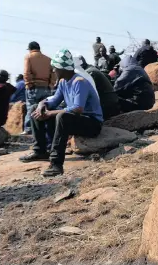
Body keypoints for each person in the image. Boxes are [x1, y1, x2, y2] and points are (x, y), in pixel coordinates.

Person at [19, 49, 103, 177]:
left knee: (62, 116)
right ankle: (40, 150)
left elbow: (77, 108)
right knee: (35, 108)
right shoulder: (64, 82)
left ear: (63, 69)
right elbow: (54, 100)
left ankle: (56, 164)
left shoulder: (79, 82)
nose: (54, 71)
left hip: (92, 123)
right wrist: (42, 104)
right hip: (76, 119)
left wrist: (50, 114)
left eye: (55, 68)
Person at [23, 41, 54, 135]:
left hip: (34, 87)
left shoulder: (28, 57)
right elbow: (53, 74)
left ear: (30, 49)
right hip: (46, 88)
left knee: (31, 108)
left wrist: (29, 85)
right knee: (44, 109)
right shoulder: (49, 59)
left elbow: (26, 72)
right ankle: (44, 130)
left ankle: (29, 129)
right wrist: (50, 85)